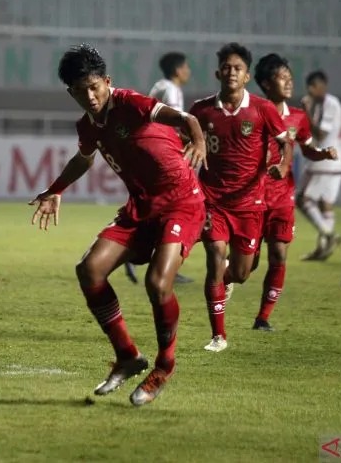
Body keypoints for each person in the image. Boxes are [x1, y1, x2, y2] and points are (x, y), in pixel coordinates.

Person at [29, 44, 207, 406]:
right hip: (140, 207)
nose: (90, 96)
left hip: (181, 202)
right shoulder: (88, 125)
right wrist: (55, 189)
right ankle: (127, 355)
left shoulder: (132, 103)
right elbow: (83, 160)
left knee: (158, 283)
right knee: (89, 269)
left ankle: (165, 365)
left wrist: (199, 141)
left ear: (107, 82)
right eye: (81, 91)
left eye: (95, 87)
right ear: (71, 93)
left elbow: (187, 120)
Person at [188, 43, 291, 353]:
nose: (232, 72)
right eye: (227, 67)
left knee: (243, 273)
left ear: (247, 76)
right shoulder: (201, 110)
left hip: (249, 204)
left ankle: (228, 280)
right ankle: (218, 335)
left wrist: (282, 166)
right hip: (212, 200)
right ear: (218, 72)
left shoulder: (263, 109)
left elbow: (286, 142)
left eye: (238, 68)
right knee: (215, 259)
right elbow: (185, 140)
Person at [250, 54, 338, 331]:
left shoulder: (297, 117)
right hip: (251, 196)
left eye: (290, 77)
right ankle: (224, 285)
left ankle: (263, 317)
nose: (289, 82)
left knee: (279, 254)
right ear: (265, 83)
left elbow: (307, 147)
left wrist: (322, 154)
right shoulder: (252, 111)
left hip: (282, 198)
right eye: (282, 77)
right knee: (246, 265)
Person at [121, 52, 194, 285]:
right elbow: (171, 124)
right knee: (177, 205)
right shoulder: (171, 90)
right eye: (186, 67)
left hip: (149, 152)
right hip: (163, 156)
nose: (188, 71)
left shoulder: (159, 86)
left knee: (157, 206)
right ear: (177, 70)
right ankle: (135, 252)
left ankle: (154, 258)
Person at [297, 71, 341, 261]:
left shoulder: (329, 104)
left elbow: (322, 134)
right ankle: (323, 249)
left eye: (313, 86)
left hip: (325, 160)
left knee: (302, 199)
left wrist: (305, 112)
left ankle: (328, 234)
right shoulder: (323, 105)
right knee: (325, 204)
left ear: (322, 86)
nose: (310, 90)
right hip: (334, 161)